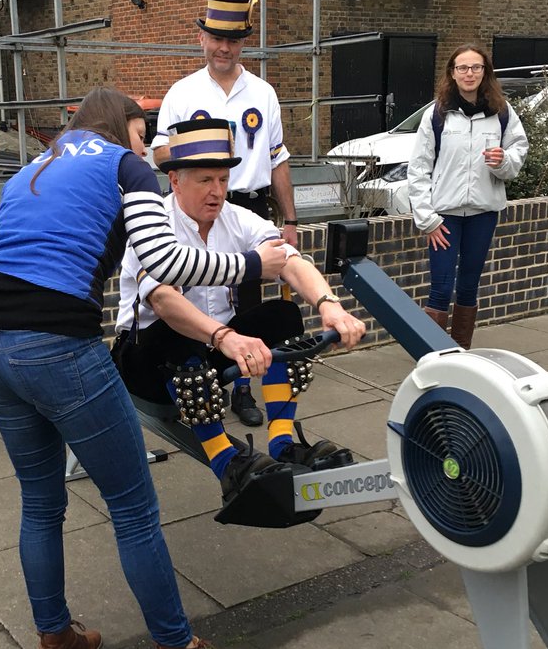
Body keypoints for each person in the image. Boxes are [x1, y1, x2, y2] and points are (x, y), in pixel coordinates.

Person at [0, 87, 289, 649]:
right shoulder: (124, 165)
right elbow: (166, 260)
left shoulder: (30, 171)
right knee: (135, 510)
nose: (150, 149)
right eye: (144, 136)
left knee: (40, 504)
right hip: (59, 346)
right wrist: (253, 266)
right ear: (122, 132)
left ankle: (55, 640)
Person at [115, 118, 366, 502]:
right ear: (176, 180)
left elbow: (291, 261)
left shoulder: (236, 219)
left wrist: (329, 306)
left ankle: (283, 443)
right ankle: (228, 465)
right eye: (205, 180)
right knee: (177, 331)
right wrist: (225, 336)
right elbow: (164, 301)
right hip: (144, 362)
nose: (217, 191)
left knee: (284, 316)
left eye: (222, 179)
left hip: (208, 354)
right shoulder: (153, 225)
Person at [153, 0, 298, 426]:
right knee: (198, 298)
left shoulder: (264, 93)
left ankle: (241, 389)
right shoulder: (182, 92)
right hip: (198, 212)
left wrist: (289, 219)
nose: (224, 48)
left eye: (233, 40)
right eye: (216, 38)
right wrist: (192, 158)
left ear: (243, 44)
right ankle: (198, 378)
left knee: (247, 305)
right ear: (201, 37)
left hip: (248, 210)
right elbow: (160, 154)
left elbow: (277, 159)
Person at [407, 44, 528, 349]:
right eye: (462, 68)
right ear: (452, 73)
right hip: (444, 217)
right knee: (441, 288)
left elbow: (518, 151)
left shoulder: (501, 112)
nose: (469, 73)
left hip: (483, 214)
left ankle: (460, 352)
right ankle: (433, 355)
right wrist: (428, 220)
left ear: (485, 72)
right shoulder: (437, 114)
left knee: (469, 287)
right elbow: (418, 169)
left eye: (476, 67)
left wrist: (503, 161)